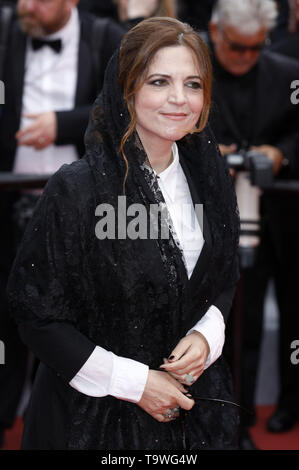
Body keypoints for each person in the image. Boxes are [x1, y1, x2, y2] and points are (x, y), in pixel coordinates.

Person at [7, 17, 240, 450]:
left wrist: (207, 335)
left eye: (192, 84)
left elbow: (222, 277)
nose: (179, 99)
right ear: (127, 90)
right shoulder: (77, 189)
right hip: (92, 420)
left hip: (193, 415)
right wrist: (137, 383)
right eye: (159, 82)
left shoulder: (211, 179)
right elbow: (37, 315)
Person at [0, 0, 124, 448]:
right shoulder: (7, 31)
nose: (28, 6)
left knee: (67, 320)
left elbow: (123, 105)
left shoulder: (106, 38)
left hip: (80, 213)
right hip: (7, 200)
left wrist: (63, 124)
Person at [206, 0, 299, 447]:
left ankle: (288, 405)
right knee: (233, 325)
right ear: (213, 30)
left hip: (282, 221)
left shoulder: (285, 71)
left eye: (255, 48)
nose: (245, 57)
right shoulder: (191, 69)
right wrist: (207, 153)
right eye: (237, 47)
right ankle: (233, 421)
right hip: (213, 226)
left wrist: (282, 154)